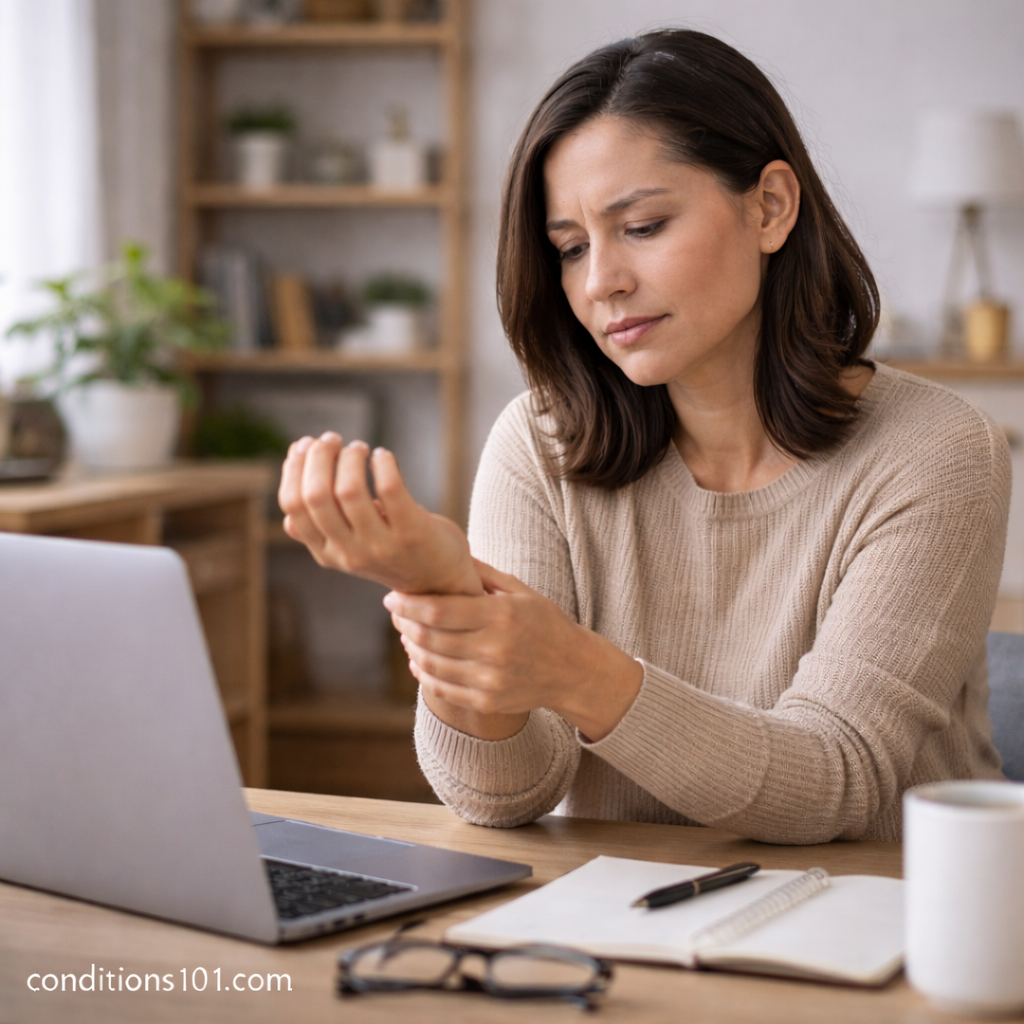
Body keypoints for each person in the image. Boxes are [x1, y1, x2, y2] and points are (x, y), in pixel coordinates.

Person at [279, 29, 1009, 844]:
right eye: (571, 247)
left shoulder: (937, 452)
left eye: (645, 226)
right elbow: (505, 795)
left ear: (770, 207)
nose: (601, 283)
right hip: (615, 926)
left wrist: (573, 668)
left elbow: (833, 778)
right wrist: (446, 604)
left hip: (877, 929)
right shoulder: (542, 442)